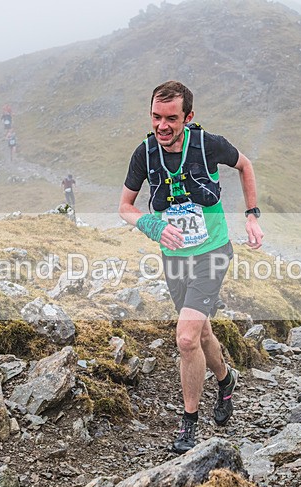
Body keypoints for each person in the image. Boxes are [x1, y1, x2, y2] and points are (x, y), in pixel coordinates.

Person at [119, 81, 264, 453]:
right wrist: (152, 225)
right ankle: (226, 378)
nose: (162, 125)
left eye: (171, 118)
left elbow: (245, 166)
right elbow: (126, 207)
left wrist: (251, 216)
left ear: (188, 117)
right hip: (175, 258)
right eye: (156, 117)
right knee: (199, 335)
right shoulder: (145, 154)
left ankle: (188, 422)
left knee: (185, 337)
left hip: (212, 252)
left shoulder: (207, 145)